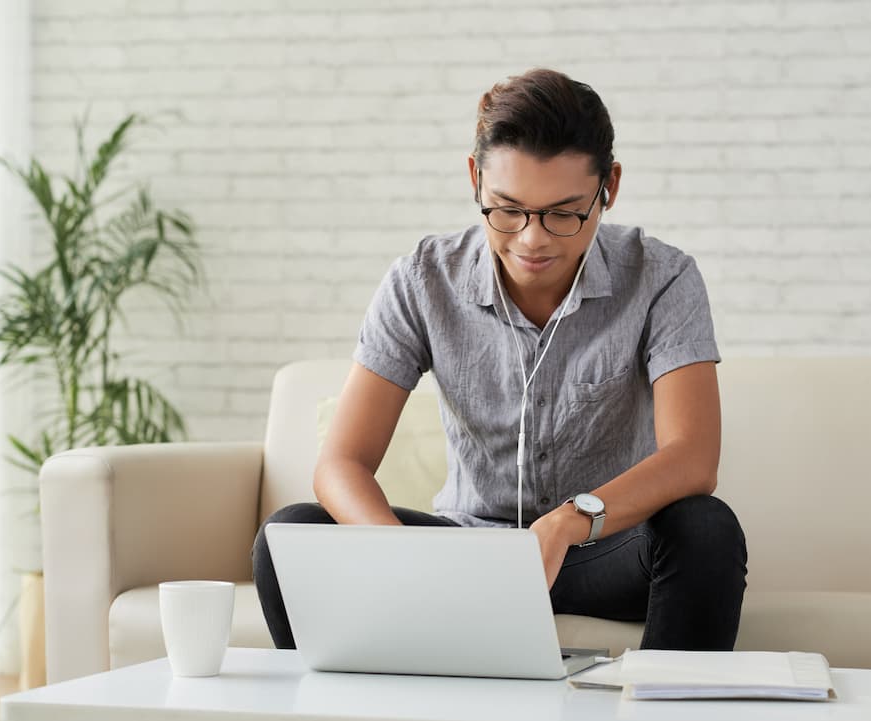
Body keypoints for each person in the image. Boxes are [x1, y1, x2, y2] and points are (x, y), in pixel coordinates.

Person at [252, 68, 747, 652]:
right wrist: (399, 556)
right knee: (291, 535)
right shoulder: (422, 280)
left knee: (705, 528)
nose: (532, 240)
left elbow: (692, 459)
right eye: (507, 209)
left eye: (564, 213)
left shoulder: (663, 278)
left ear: (608, 187)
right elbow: (340, 464)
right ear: (475, 178)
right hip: (464, 554)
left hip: (603, 550)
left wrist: (569, 521)